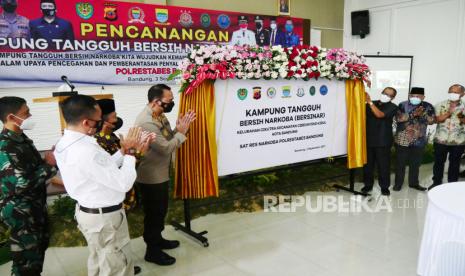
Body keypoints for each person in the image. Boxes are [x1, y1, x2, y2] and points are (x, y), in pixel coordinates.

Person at [54, 95, 150, 276]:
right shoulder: (86, 150)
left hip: (89, 212)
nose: (102, 124)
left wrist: (121, 152)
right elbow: (123, 183)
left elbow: (100, 169)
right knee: (117, 265)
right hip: (105, 218)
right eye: (99, 121)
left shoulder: (65, 143)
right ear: (86, 122)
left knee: (99, 260)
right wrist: (130, 152)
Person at [135, 84, 196, 266]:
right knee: (154, 213)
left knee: (160, 211)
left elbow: (168, 137)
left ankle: (158, 240)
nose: (171, 104)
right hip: (151, 176)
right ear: (156, 101)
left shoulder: (159, 114)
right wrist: (182, 133)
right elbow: (166, 148)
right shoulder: (146, 121)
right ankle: (152, 251)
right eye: (169, 101)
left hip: (160, 172)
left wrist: (178, 130)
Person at [0, 96, 57, 275]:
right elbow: (19, 184)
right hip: (20, 213)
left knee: (36, 256)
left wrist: (47, 160)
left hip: (34, 207)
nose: (30, 116)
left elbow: (31, 168)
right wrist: (49, 165)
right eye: (26, 113)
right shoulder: (5, 147)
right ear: (10, 117)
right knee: (26, 264)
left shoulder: (21, 139)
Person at [94, 99, 156, 211]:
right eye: (114, 116)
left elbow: (129, 162)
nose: (116, 119)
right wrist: (135, 150)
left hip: (126, 190)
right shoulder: (98, 142)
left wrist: (141, 147)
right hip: (115, 198)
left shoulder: (112, 136)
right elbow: (115, 168)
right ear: (104, 122)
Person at [393, 87, 435, 191]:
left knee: (415, 164)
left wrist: (423, 114)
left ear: (423, 97)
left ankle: (413, 183)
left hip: (419, 139)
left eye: (418, 96)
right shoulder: (402, 104)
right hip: (403, 138)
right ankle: (398, 184)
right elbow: (398, 118)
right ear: (409, 95)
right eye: (413, 95)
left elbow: (432, 121)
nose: (415, 97)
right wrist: (413, 114)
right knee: (400, 163)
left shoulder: (428, 106)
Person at [362, 87, 398, 196]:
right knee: (368, 165)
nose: (385, 95)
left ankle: (384, 187)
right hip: (368, 140)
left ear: (393, 97)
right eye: (384, 93)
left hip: (383, 141)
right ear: (381, 92)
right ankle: (368, 185)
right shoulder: (371, 103)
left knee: (383, 166)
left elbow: (380, 115)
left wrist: (369, 102)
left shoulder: (393, 107)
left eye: (389, 95)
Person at [429, 84, 465, 190]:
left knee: (455, 163)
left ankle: (452, 185)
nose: (452, 94)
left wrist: (460, 115)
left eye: (456, 92)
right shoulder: (440, 105)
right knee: (438, 162)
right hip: (441, 139)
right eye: (451, 91)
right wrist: (446, 114)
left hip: (458, 141)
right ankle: (436, 182)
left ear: (462, 94)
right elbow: (433, 120)